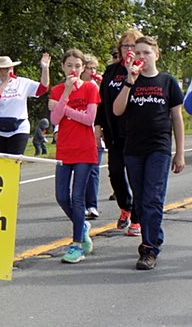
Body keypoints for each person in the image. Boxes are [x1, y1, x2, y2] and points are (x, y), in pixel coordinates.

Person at [113, 36, 185, 270]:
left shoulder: (168, 82)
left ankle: (149, 248)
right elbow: (117, 110)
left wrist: (179, 153)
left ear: (157, 54)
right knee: (142, 202)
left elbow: (177, 118)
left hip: (159, 148)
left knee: (153, 200)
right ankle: (152, 239)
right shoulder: (131, 81)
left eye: (146, 52)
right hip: (133, 149)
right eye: (138, 53)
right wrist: (128, 82)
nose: (142, 56)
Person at [49, 49, 100, 263]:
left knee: (78, 198)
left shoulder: (90, 88)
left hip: (85, 150)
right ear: (63, 67)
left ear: (83, 68)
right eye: (69, 65)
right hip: (64, 150)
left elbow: (89, 119)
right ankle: (83, 226)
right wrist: (66, 95)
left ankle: (77, 245)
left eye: (78, 66)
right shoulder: (58, 89)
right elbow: (54, 119)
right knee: (62, 196)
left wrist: (66, 108)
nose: (73, 69)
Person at [95, 29, 143, 235]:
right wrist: (98, 126)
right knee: (115, 172)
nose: (129, 50)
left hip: (136, 133)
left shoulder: (144, 71)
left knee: (136, 175)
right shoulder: (111, 71)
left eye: (133, 46)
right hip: (114, 132)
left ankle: (137, 219)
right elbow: (101, 100)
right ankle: (125, 207)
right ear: (120, 49)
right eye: (126, 46)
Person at [0, 54, 50, 155]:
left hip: (19, 128)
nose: (7, 71)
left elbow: (42, 89)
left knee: (15, 161)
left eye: (9, 68)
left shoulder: (22, 82)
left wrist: (45, 69)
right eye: (3, 69)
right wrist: (6, 82)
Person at [81, 54, 103, 219]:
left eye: (94, 68)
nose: (92, 71)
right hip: (78, 134)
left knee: (94, 170)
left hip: (95, 133)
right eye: (89, 68)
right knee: (81, 171)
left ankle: (92, 205)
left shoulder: (98, 87)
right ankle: (79, 204)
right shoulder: (76, 86)